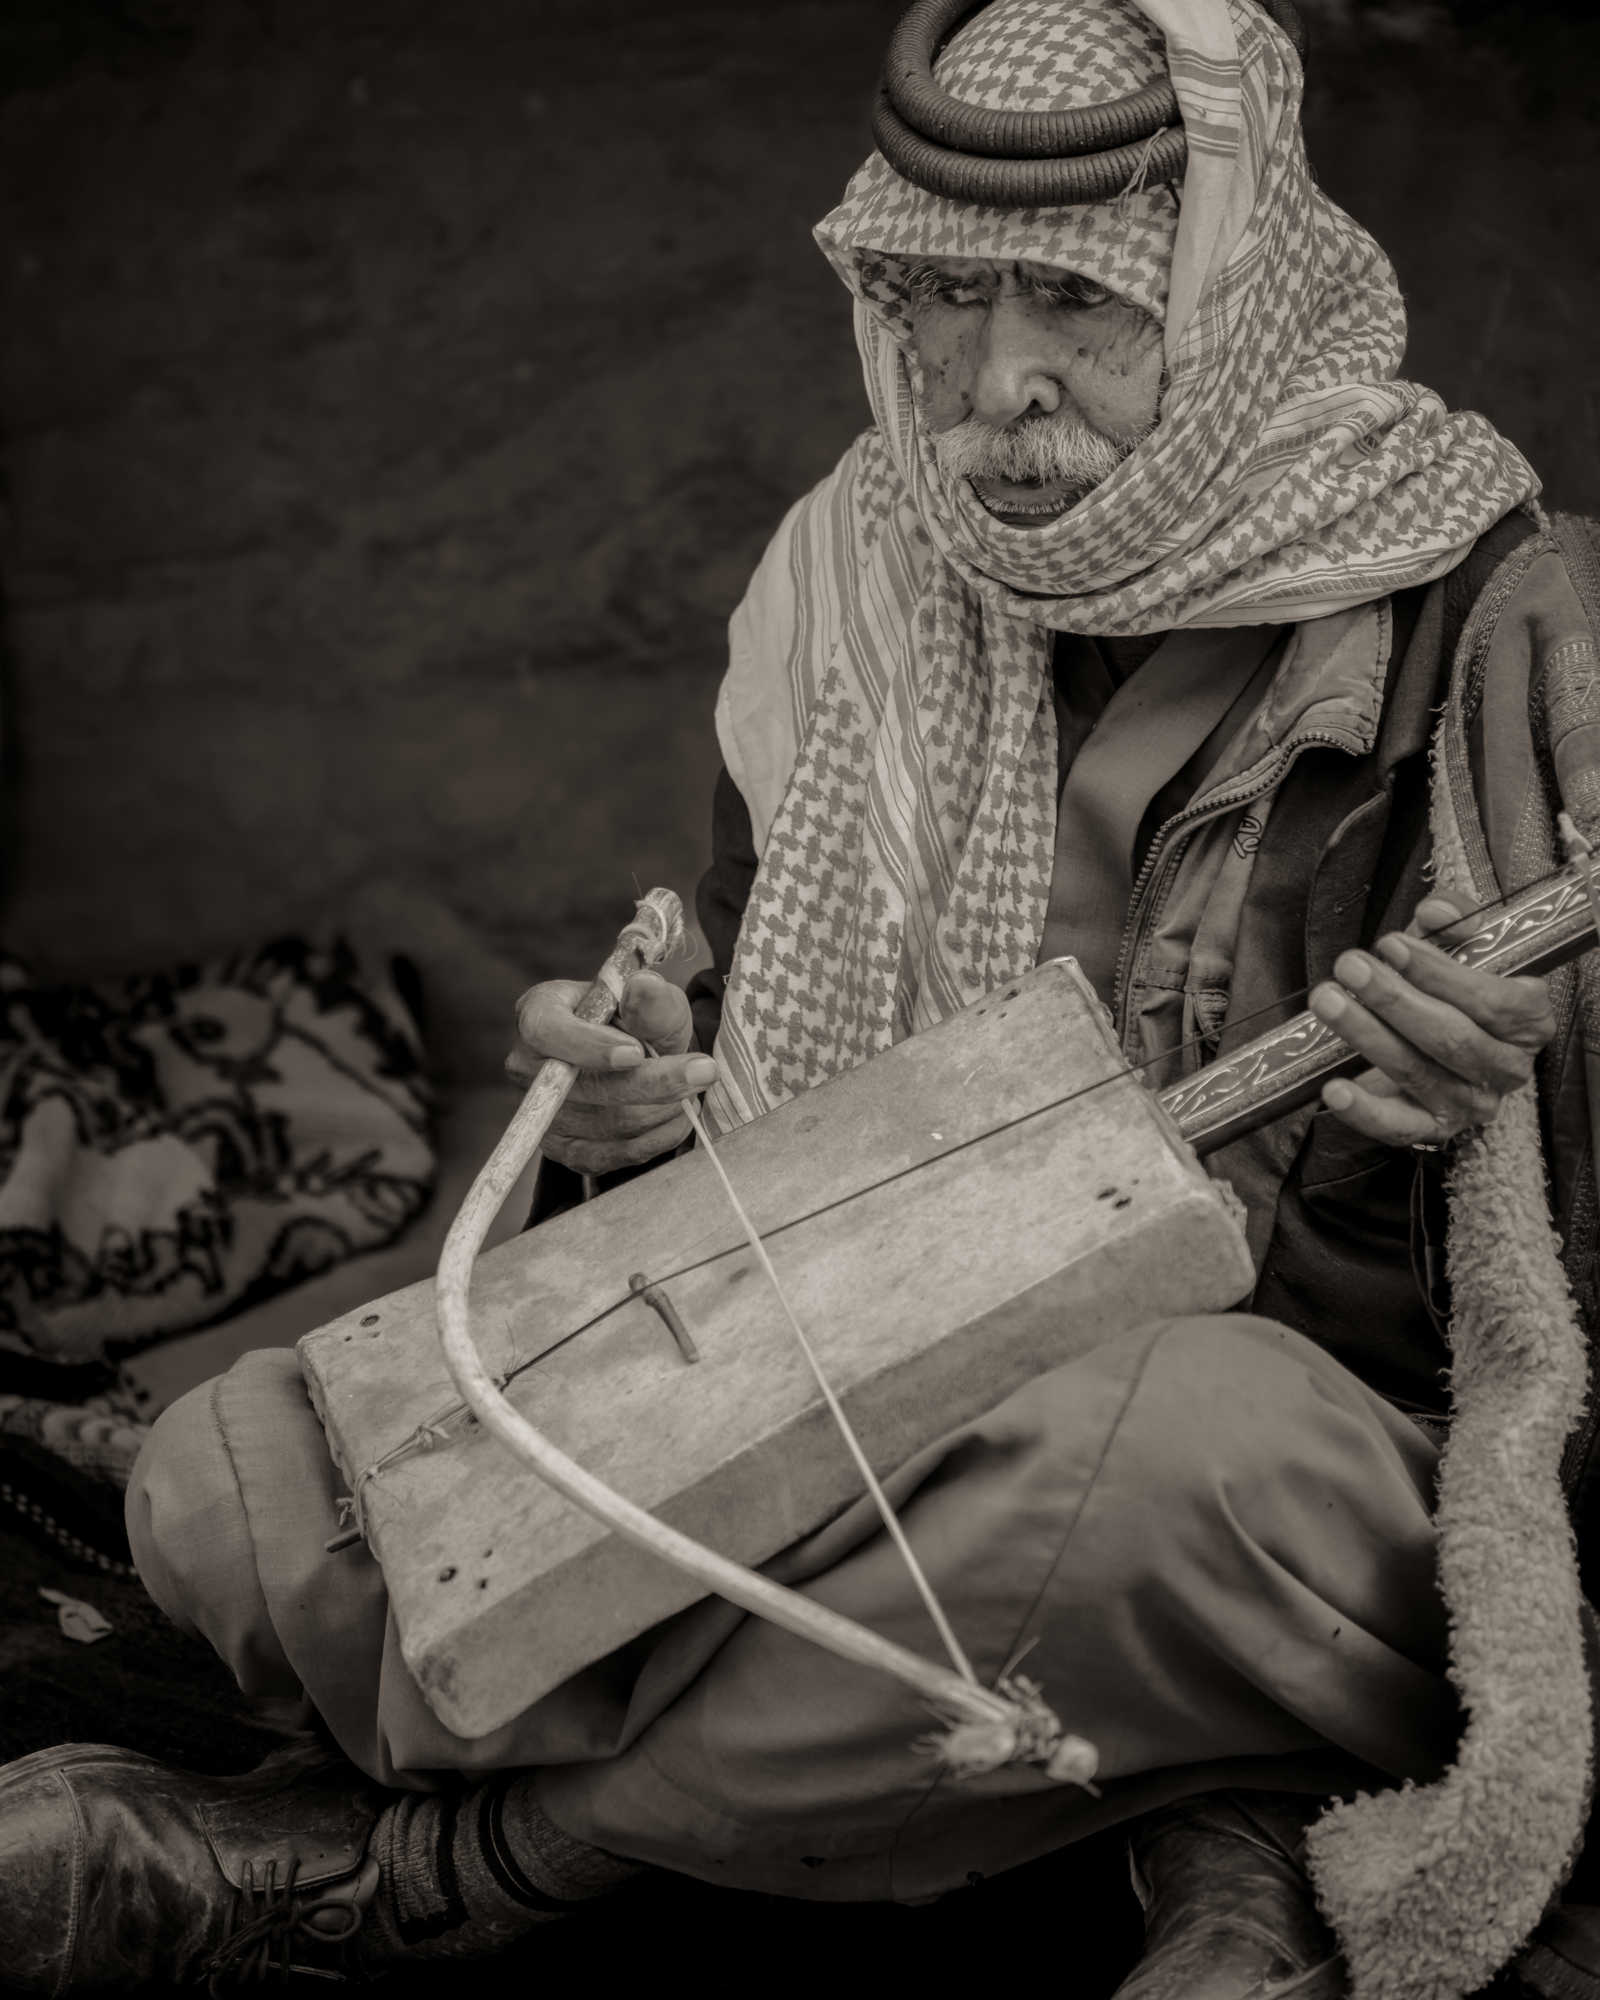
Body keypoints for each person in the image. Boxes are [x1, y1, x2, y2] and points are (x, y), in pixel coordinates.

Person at [4, 1, 1599, 1994]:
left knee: (1123, 1465)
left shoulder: (1506, 622)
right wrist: (635, 1124)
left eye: (1075, 300)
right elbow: (765, 1130)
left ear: (1226, 286)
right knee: (234, 1492)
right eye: (942, 296)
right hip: (846, 1340)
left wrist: (1460, 1124)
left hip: (1269, 1447)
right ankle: (1160, 1789)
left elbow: (1538, 1341)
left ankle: (441, 1871)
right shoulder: (854, 578)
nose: (996, 385)